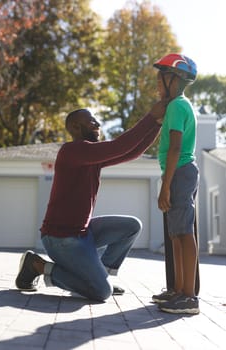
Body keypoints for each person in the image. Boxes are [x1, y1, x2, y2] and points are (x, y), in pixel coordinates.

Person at [15, 101, 166, 302]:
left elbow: (131, 152)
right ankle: (38, 265)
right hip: (61, 238)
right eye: (91, 121)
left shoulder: (90, 155)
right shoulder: (73, 151)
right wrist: (150, 116)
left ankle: (102, 275)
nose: (97, 124)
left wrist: (157, 123)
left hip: (82, 233)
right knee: (101, 293)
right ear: (76, 128)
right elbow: (120, 146)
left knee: (131, 226)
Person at [152, 53, 200, 314]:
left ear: (174, 80)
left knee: (184, 233)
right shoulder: (176, 106)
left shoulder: (177, 106)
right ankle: (179, 290)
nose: (157, 85)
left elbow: (175, 148)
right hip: (178, 173)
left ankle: (189, 296)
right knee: (176, 234)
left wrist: (165, 185)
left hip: (179, 172)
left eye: (160, 80)